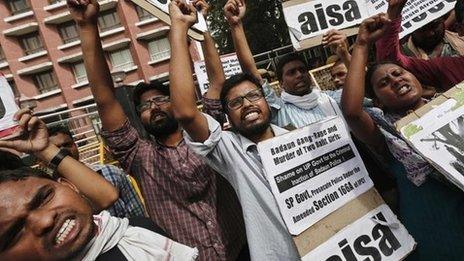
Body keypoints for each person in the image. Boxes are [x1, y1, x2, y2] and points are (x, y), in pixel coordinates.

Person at [67, 0, 247, 260]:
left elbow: (217, 81)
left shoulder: (205, 133)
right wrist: (87, 27)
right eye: (145, 106)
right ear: (139, 117)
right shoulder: (139, 156)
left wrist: (202, 26)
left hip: (243, 249)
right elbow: (106, 99)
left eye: (162, 99)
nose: (154, 107)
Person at [168, 1, 299, 260]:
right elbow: (184, 111)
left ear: (268, 101)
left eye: (253, 96)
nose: (247, 104)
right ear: (226, 116)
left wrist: (236, 26)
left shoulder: (295, 139)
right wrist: (180, 27)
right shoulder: (228, 149)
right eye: (236, 103)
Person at [341, 2, 464, 259]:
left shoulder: (454, 104)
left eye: (398, 73)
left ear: (416, 77)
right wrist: (361, 44)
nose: (396, 80)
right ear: (378, 102)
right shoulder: (386, 133)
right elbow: (352, 111)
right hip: (440, 235)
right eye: (384, 83)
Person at [0, 109, 198, 261]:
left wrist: (45, 149)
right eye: (16, 232)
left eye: (43, 198)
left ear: (69, 185)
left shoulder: (136, 232)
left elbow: (108, 195)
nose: (44, 221)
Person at [47, 125, 146, 218]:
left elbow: (138, 213)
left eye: (67, 145)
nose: (63, 151)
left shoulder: (110, 173)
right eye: (56, 149)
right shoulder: (49, 193)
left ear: (75, 145)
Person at [377, 0, 464, 91]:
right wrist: (393, 13)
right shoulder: (447, 67)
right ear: (460, 29)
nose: (430, 33)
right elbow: (390, 61)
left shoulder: (456, 43)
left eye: (435, 25)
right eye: (423, 30)